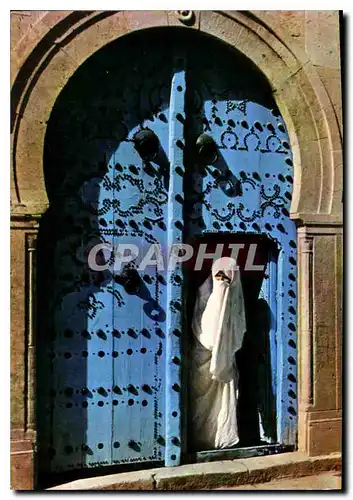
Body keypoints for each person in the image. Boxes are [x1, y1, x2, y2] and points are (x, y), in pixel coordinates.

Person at [189, 257, 246, 450]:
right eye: (219, 276)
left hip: (227, 360)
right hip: (203, 358)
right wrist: (217, 348)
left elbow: (238, 330)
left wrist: (225, 351)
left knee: (224, 405)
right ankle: (201, 439)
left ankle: (222, 439)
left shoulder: (235, 297)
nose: (223, 281)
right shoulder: (205, 295)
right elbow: (205, 331)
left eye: (227, 277)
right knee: (203, 405)